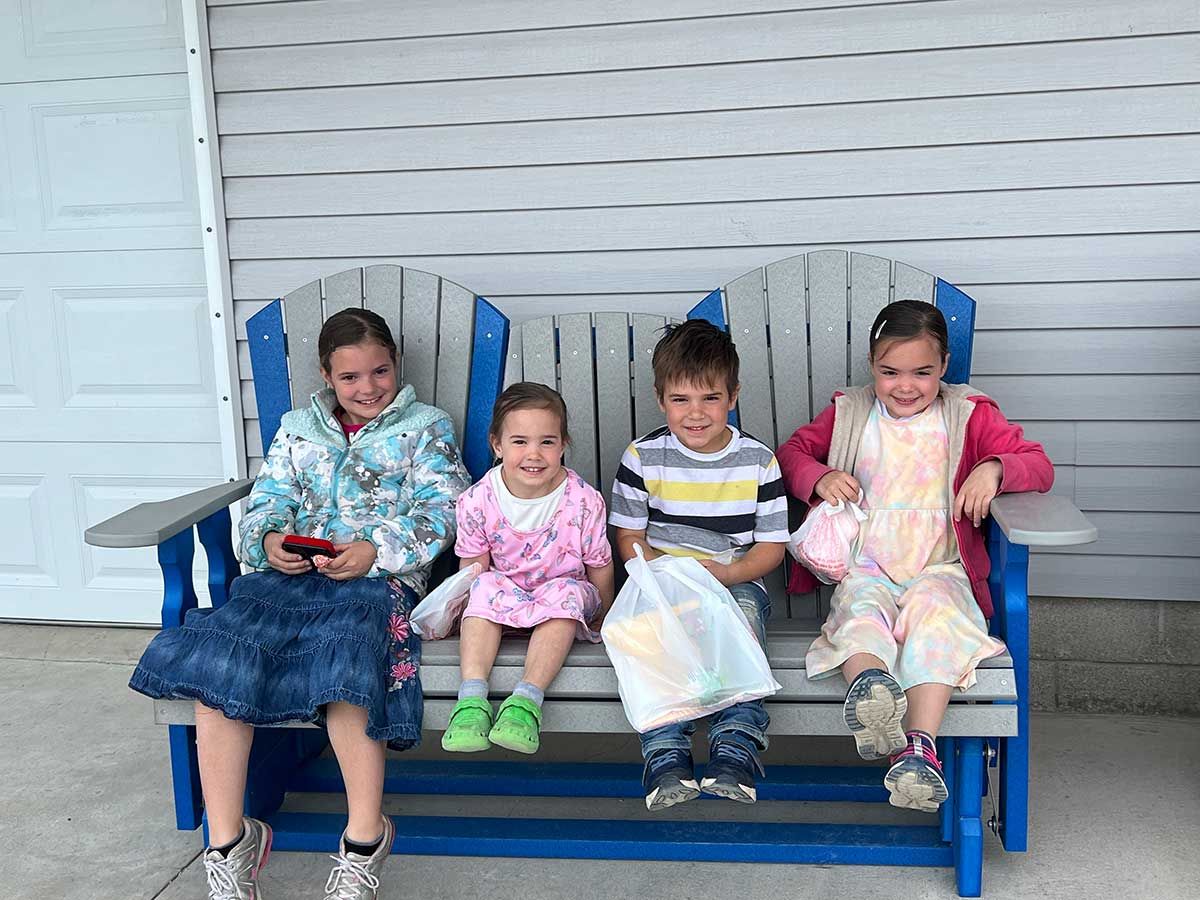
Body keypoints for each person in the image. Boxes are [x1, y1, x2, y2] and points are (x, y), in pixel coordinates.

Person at [130, 308, 471, 899]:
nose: (368, 388)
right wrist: (267, 543)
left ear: (397, 365)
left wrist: (373, 549)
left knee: (344, 670)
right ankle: (230, 843)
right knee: (219, 667)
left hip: (373, 583)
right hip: (287, 581)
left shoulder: (426, 427)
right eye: (350, 378)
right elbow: (268, 501)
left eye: (379, 371)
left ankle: (365, 840)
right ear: (326, 377)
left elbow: (445, 511)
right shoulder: (298, 429)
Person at [777, 299, 1053, 812]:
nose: (905, 386)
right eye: (890, 372)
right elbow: (792, 453)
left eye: (922, 373)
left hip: (939, 567)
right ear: (871, 367)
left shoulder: (968, 413)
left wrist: (993, 468)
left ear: (944, 367)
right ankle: (871, 692)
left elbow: (1037, 463)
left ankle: (918, 750)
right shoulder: (851, 412)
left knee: (939, 625)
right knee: (859, 617)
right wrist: (819, 477)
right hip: (868, 566)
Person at [609, 320, 789, 810]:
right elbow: (628, 535)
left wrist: (726, 575)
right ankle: (666, 755)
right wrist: (658, 576)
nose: (695, 414)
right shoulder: (643, 456)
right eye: (680, 400)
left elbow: (770, 548)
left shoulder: (757, 461)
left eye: (710, 398)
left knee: (743, 623)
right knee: (648, 634)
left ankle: (735, 749)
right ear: (660, 398)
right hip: (663, 578)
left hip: (732, 578)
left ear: (733, 395)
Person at [442, 382, 615, 755]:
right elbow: (472, 569)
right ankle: (471, 701)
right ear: (497, 445)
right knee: (482, 586)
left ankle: (525, 703)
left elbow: (599, 564)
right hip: (506, 596)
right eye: (519, 442)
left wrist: (604, 615)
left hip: (562, 598)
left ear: (563, 444)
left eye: (547, 442)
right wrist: (460, 612)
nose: (533, 454)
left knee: (566, 595)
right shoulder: (477, 500)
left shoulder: (583, 501)